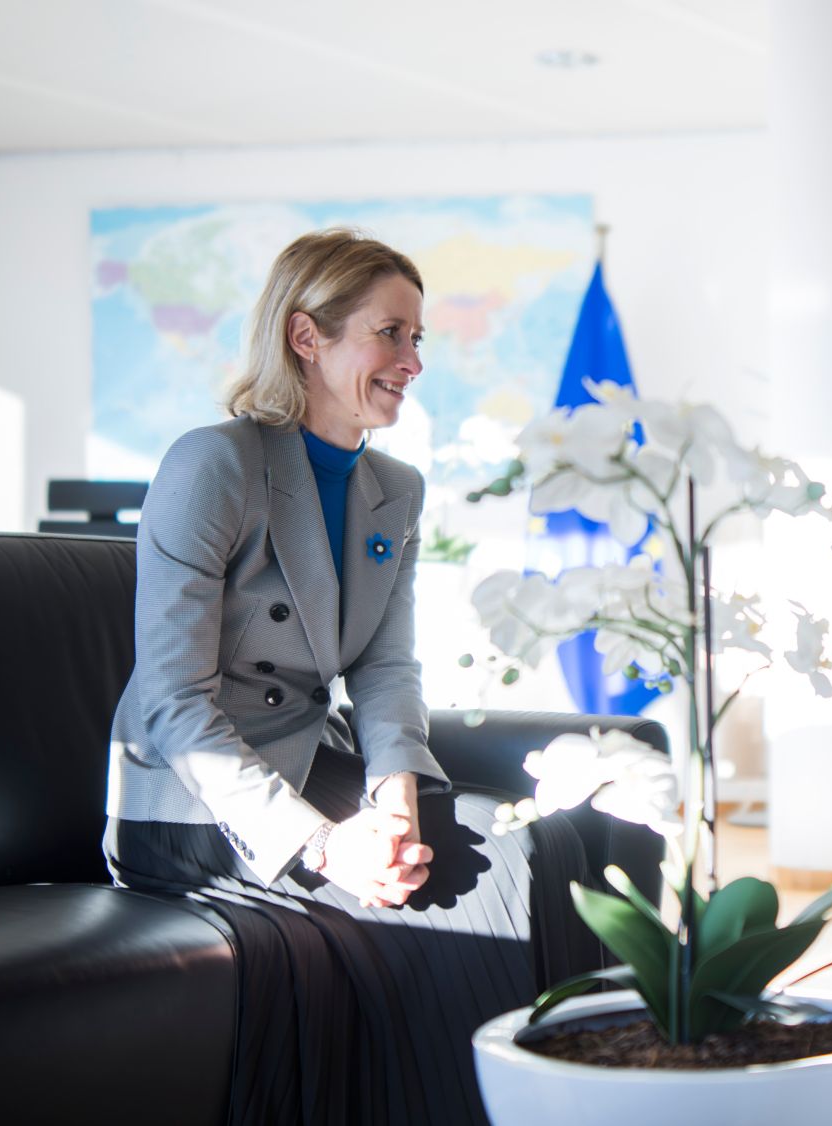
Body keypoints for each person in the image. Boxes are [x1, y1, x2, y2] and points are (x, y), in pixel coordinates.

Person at [104, 229, 591, 1124]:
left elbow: (385, 664)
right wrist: (326, 845)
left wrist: (394, 795)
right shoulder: (212, 465)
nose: (414, 361)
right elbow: (173, 703)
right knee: (481, 877)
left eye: (418, 338)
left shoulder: (394, 488)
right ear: (306, 337)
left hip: (314, 763)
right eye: (390, 334)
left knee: (530, 842)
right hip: (198, 806)